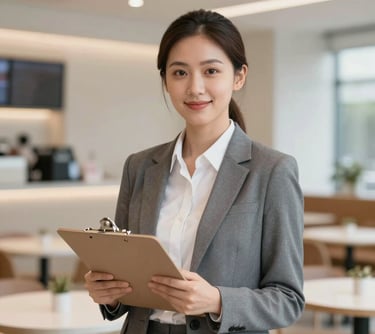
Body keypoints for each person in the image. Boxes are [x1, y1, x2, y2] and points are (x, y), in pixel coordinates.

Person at [84, 9, 304, 334]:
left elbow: (288, 299)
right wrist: (110, 294)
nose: (195, 88)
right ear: (166, 81)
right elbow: (128, 282)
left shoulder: (272, 171)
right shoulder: (140, 167)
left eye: (211, 71)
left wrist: (217, 300)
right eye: (180, 73)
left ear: (239, 76)